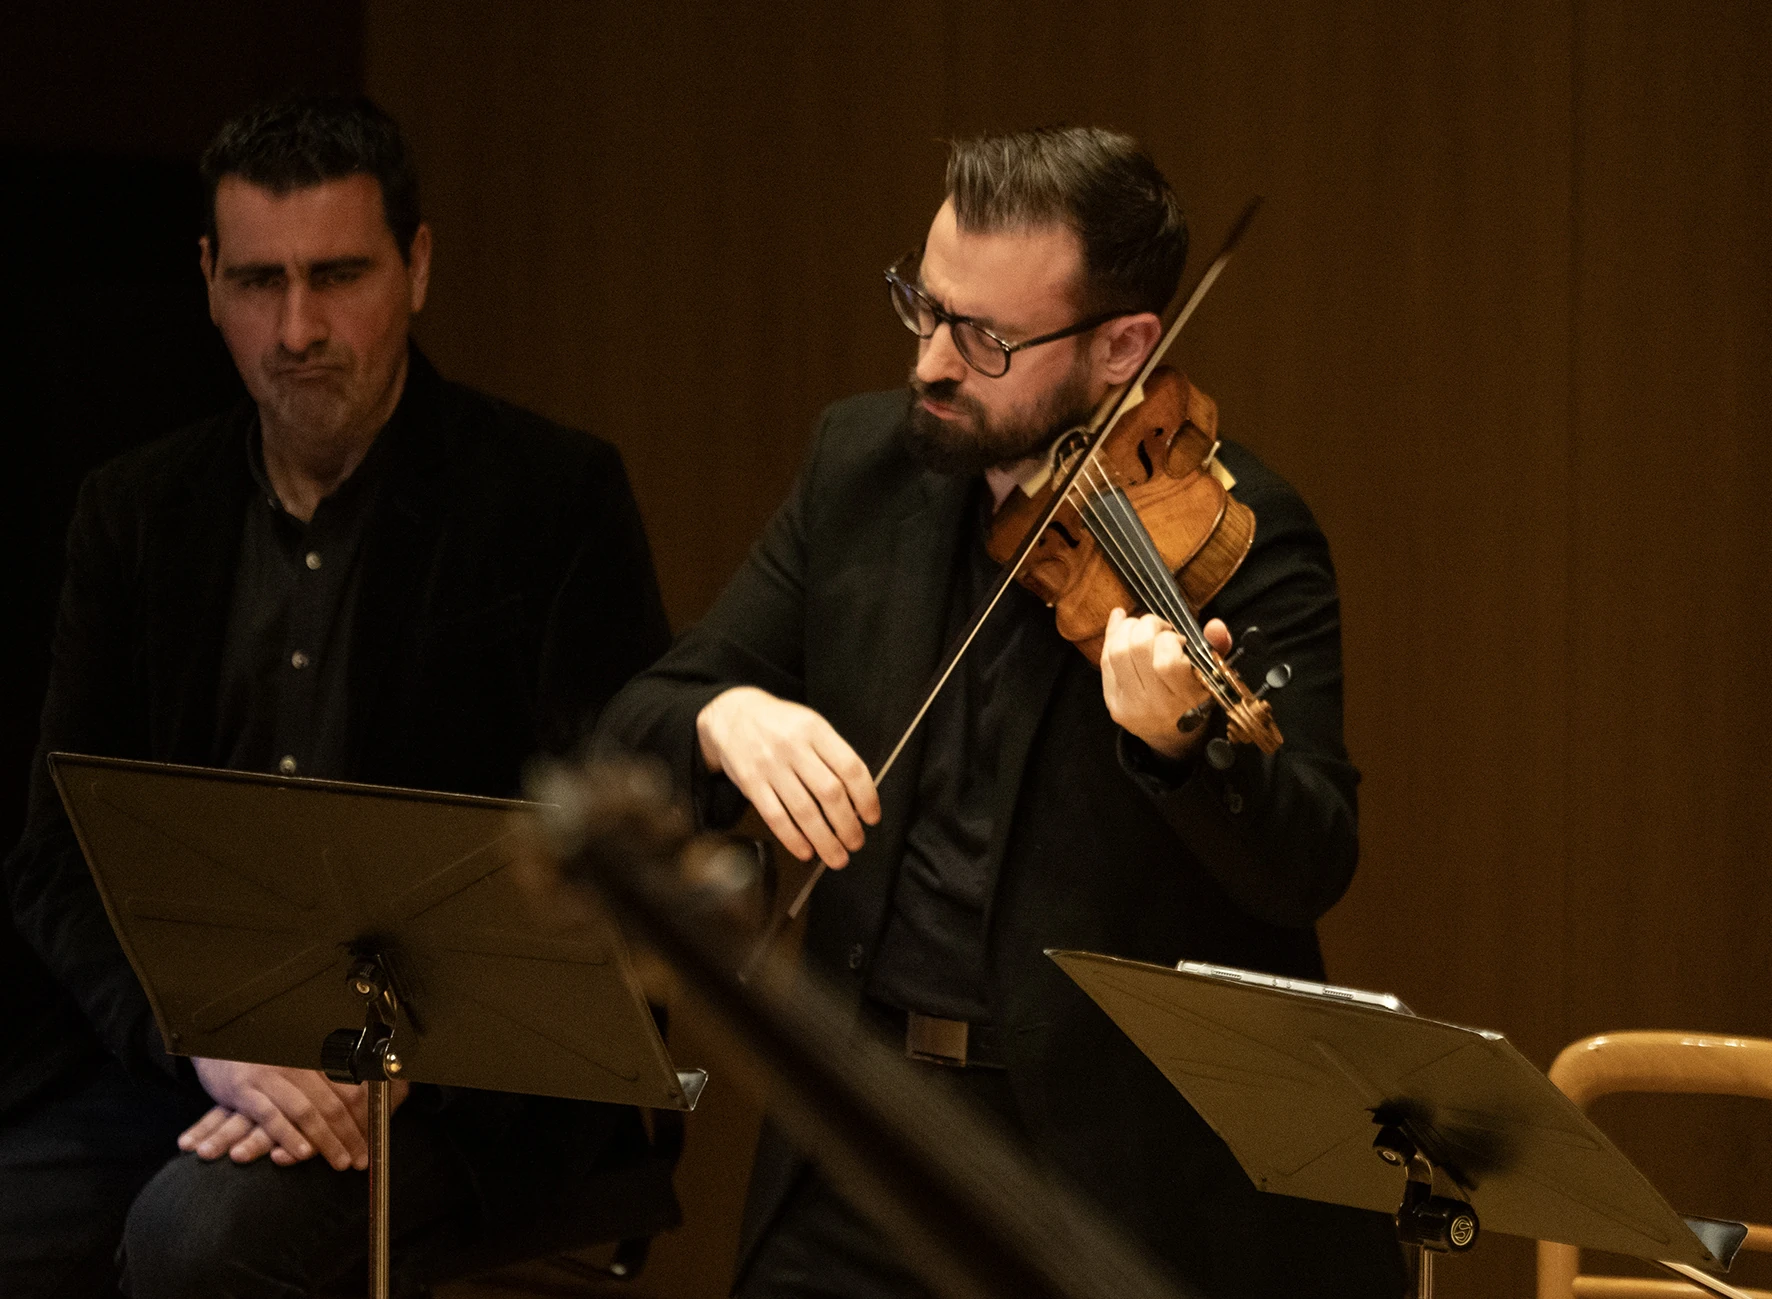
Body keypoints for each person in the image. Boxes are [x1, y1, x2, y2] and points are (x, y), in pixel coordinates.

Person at [598, 127, 1407, 1298]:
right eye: (921, 308)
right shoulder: (861, 466)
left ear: (1126, 345)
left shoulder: (1243, 536)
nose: (929, 362)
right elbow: (640, 719)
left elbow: (1308, 860)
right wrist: (724, 715)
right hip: (864, 1146)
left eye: (983, 338)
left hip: (1109, 1183)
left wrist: (1182, 746)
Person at [0, 96, 677, 1298]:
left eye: (339, 275)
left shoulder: (549, 497)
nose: (298, 326)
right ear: (207, 281)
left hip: (457, 1082)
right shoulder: (135, 509)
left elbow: (611, 859)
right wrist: (201, 1048)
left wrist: (388, 1064)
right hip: (191, 1058)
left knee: (199, 1238)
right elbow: (59, 857)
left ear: (414, 268)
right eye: (259, 281)